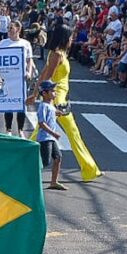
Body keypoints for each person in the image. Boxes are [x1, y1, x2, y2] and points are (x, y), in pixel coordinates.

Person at [38, 23, 101, 182]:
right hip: (57, 100)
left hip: (59, 98)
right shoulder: (57, 55)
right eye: (71, 37)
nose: (72, 39)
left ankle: (90, 169)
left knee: (43, 135)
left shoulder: (59, 54)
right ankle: (89, 169)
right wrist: (44, 98)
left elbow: (43, 75)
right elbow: (47, 77)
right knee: (72, 134)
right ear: (64, 38)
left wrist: (34, 94)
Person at [0, 21, 35, 137]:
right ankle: (8, 129)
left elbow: (29, 60)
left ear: (18, 29)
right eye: (8, 28)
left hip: (20, 79)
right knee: (8, 103)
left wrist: (29, 72)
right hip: (7, 78)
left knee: (21, 105)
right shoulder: (3, 43)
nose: (8, 31)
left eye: (11, 28)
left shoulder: (25, 44)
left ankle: (20, 129)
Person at [35, 80, 65, 190]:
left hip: (51, 138)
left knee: (58, 157)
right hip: (45, 138)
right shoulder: (43, 106)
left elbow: (52, 113)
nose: (54, 92)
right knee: (45, 161)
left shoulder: (50, 106)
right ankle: (30, 179)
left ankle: (54, 182)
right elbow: (41, 123)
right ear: (44, 93)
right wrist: (54, 133)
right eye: (52, 91)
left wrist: (58, 113)